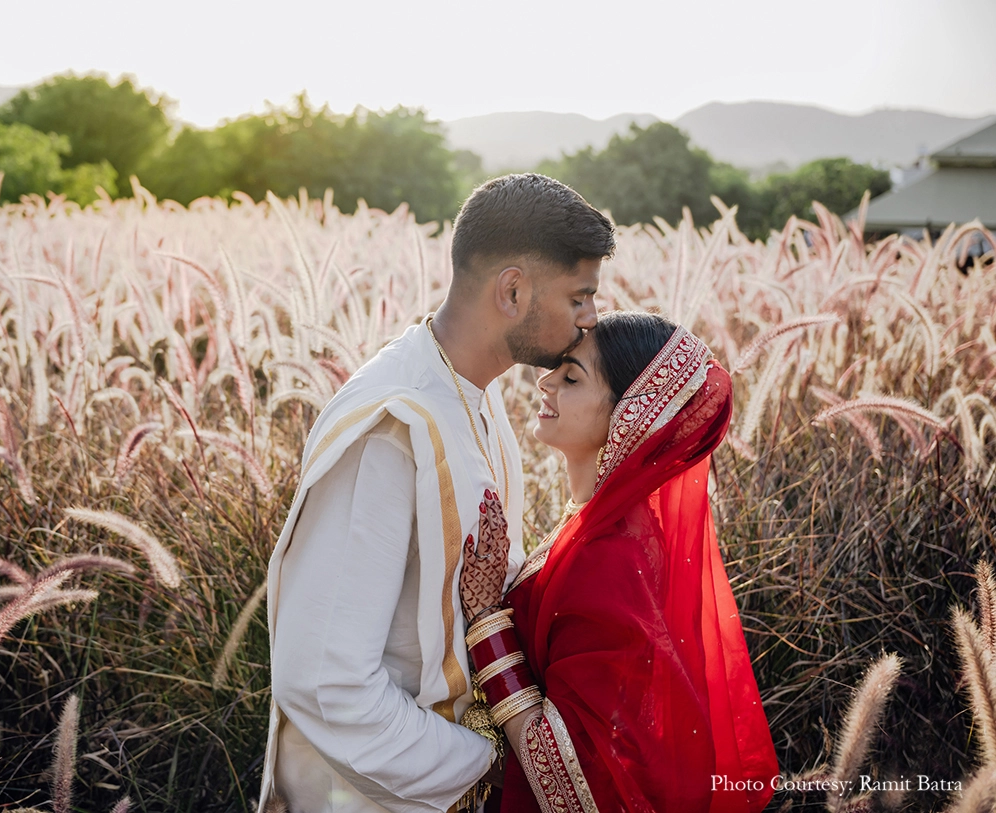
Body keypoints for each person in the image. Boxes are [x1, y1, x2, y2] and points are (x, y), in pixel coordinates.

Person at [258, 174, 616, 813]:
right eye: (579, 296)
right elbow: (324, 683)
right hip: (368, 797)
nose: (591, 316)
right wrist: (492, 762)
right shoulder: (391, 429)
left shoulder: (476, 394)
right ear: (513, 290)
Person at [458, 311, 778, 813]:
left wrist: (485, 622)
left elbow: (568, 773)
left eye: (571, 378)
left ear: (628, 418)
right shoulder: (608, 525)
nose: (544, 382)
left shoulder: (606, 559)